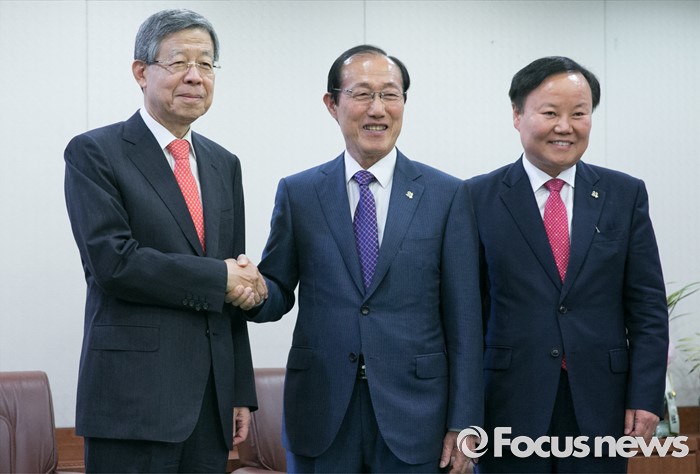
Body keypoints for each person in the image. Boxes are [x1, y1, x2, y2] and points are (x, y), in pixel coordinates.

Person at [240, 44, 483, 473]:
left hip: (417, 416)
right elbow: (276, 291)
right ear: (332, 104)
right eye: (362, 93)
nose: (378, 108)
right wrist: (250, 289)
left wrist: (464, 422)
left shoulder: (447, 195)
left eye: (390, 94)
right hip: (321, 410)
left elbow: (465, 320)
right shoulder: (300, 193)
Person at [64, 9, 267, 472]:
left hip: (210, 404)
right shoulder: (95, 152)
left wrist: (239, 389)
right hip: (131, 402)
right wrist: (220, 277)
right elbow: (114, 262)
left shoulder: (223, 164)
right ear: (142, 72)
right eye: (179, 63)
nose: (195, 77)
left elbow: (233, 278)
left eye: (206, 64)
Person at [468, 56, 669, 473]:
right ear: (517, 115)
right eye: (550, 113)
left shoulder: (624, 194)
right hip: (507, 402)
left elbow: (647, 307)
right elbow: (465, 314)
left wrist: (646, 397)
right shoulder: (476, 198)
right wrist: (462, 412)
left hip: (602, 403)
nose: (565, 126)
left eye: (579, 113)